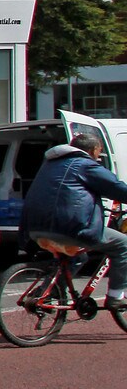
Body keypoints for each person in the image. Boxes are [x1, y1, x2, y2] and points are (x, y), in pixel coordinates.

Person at [21, 132, 127, 309]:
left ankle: (49, 291)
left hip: (35, 227)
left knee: (78, 256)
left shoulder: (49, 164)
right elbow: (115, 188)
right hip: (68, 227)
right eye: (98, 152)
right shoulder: (85, 165)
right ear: (93, 150)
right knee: (123, 244)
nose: (98, 157)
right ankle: (116, 296)